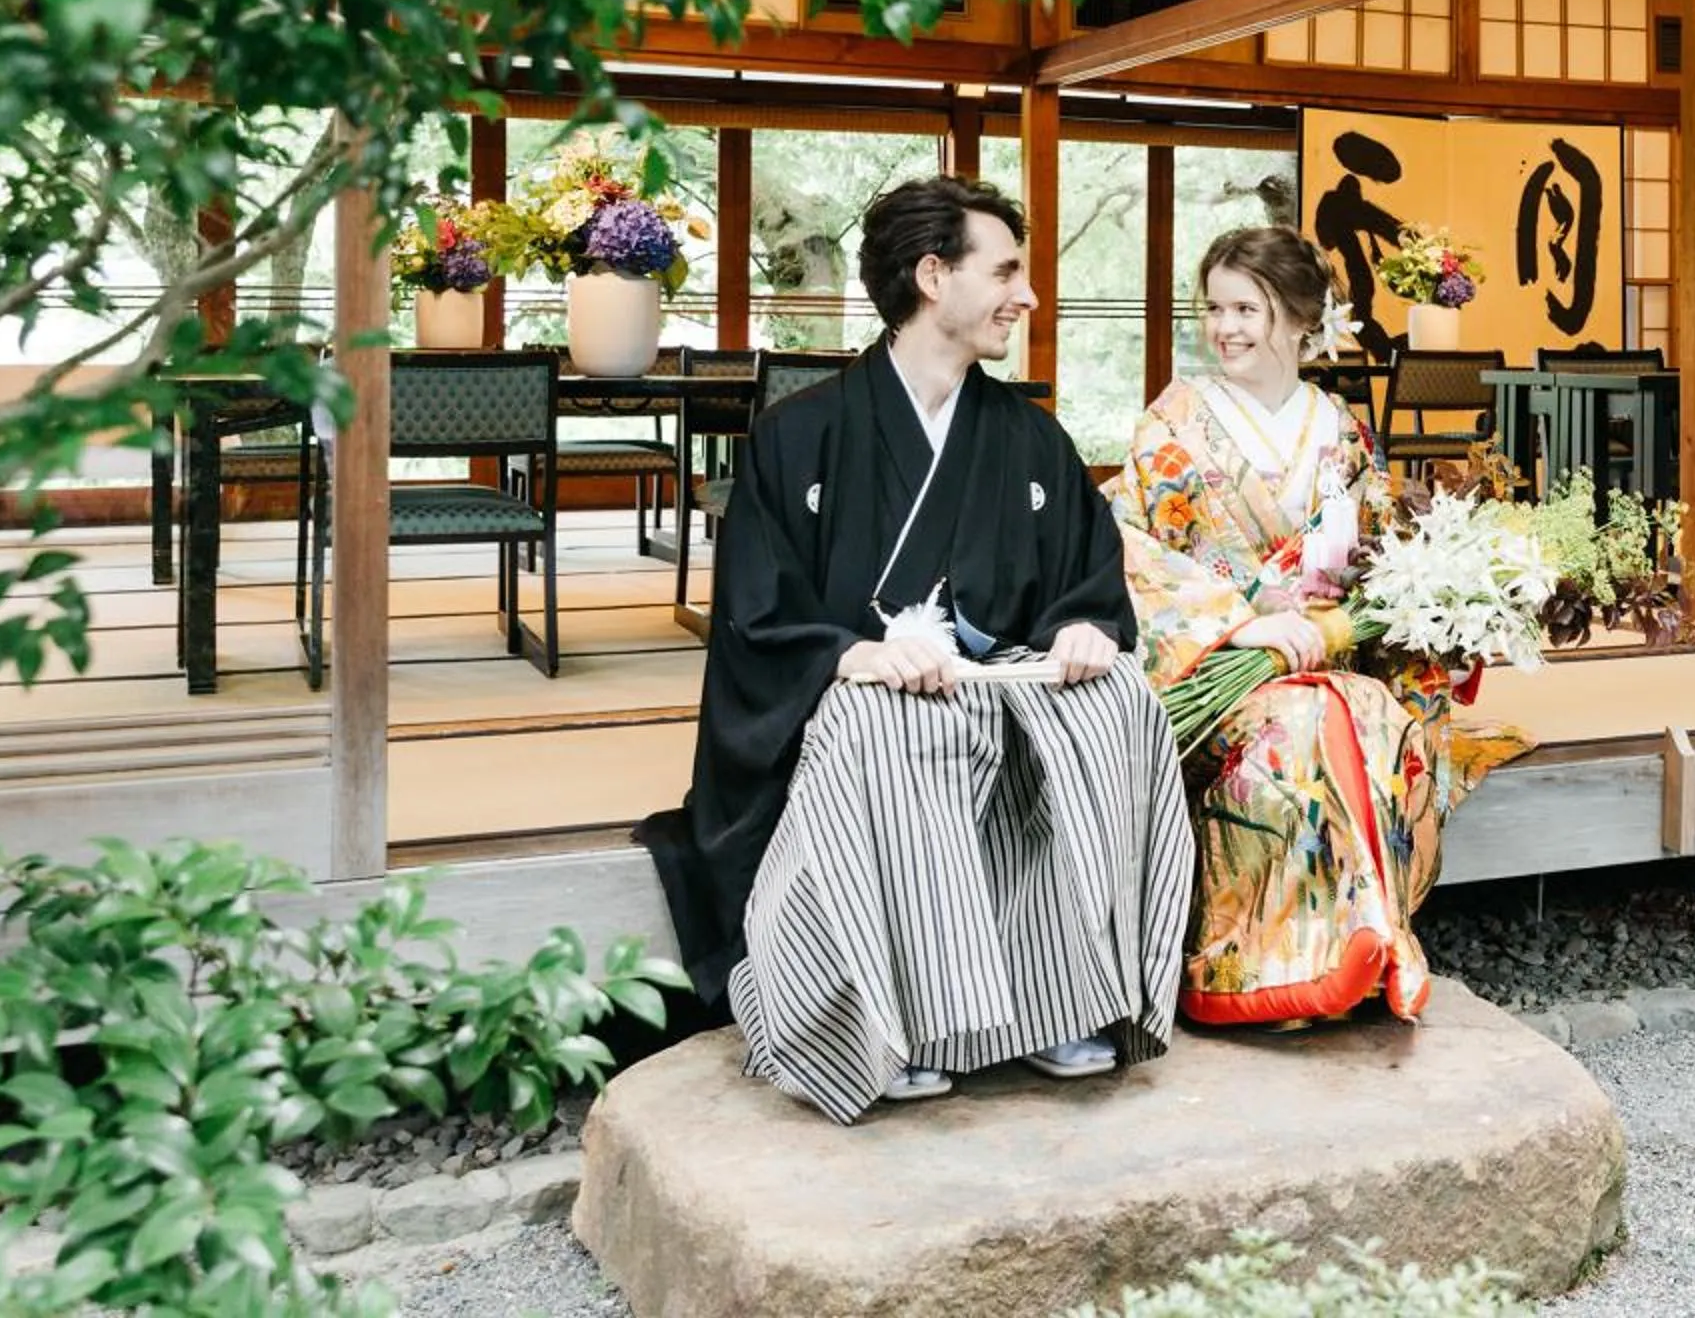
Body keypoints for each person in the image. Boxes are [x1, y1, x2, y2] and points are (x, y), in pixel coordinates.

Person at [639, 176, 1192, 1123]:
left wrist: (1083, 629)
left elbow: (1085, 579)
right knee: (889, 726)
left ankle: (1061, 995)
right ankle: (894, 1020)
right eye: (1007, 271)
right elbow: (757, 611)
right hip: (861, 693)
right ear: (934, 276)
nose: (1026, 296)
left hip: (996, 687)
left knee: (1116, 709)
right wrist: (845, 655)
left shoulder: (1027, 437)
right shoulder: (800, 434)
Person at [1108, 226, 1528, 1027]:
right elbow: (1130, 550)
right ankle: (1250, 968)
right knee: (1301, 724)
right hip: (1218, 664)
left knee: (1367, 713)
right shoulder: (1173, 424)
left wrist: (1441, 611)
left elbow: (1377, 559)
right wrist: (1243, 626)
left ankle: (1360, 944)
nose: (1224, 328)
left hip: (1334, 659)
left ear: (1301, 317)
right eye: (1215, 308)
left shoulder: (1341, 430)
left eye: (1246, 308)